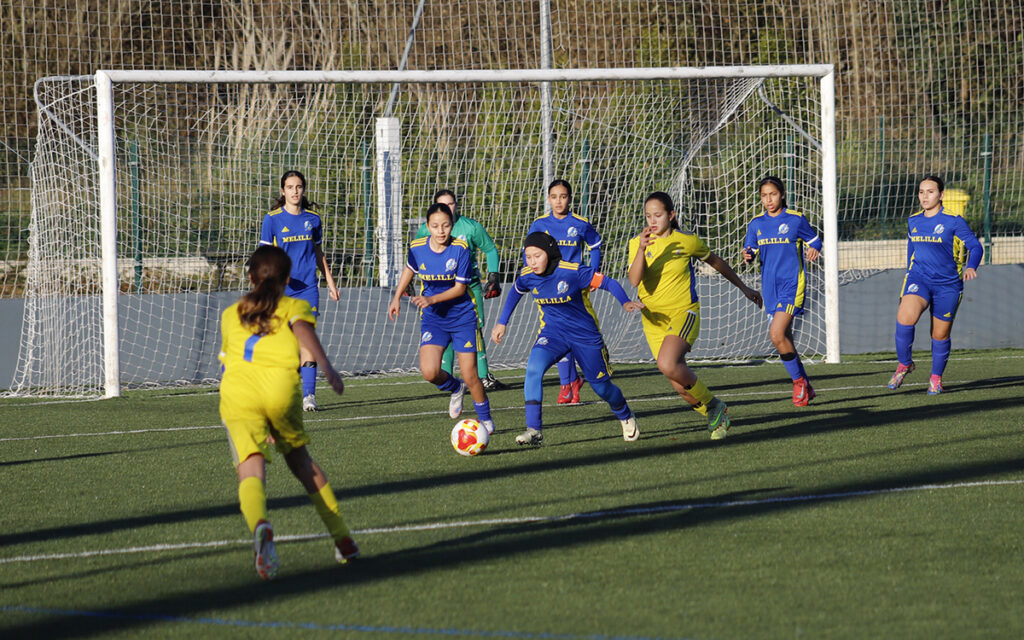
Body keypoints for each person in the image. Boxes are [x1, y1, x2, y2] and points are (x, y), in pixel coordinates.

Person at [218, 245, 357, 581]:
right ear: (288, 278)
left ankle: (261, 526)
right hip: (280, 389)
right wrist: (326, 367)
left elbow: (226, 361)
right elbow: (302, 330)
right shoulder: (295, 305)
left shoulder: (230, 313)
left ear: (250, 277)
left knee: (250, 465)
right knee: (301, 463)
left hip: (238, 394)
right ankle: (342, 538)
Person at [630, 192, 762, 440]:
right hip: (652, 320)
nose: (652, 220)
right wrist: (641, 250)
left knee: (667, 364)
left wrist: (744, 287)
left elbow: (716, 262)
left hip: (684, 312)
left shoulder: (686, 241)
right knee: (678, 383)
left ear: (671, 215)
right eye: (648, 216)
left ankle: (714, 405)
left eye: (658, 215)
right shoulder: (638, 243)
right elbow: (634, 280)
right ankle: (716, 417)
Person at [492, 231, 643, 445]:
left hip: (584, 335)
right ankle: (534, 430)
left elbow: (607, 282)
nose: (532, 262)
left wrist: (625, 301)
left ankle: (625, 414)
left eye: (537, 256)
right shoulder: (527, 275)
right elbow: (516, 291)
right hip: (553, 334)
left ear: (550, 253)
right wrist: (502, 322)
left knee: (601, 387)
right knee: (533, 369)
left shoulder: (571, 271)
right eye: (528, 257)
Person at [388, 203, 495, 433]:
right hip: (434, 318)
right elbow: (410, 268)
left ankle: (485, 420)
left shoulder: (461, 248)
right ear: (428, 227)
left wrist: (431, 300)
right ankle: (456, 388)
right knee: (429, 372)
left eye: (446, 225)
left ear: (452, 226)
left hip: (462, 316)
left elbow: (459, 289)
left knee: (471, 374)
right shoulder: (417, 247)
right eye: (435, 226)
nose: (441, 230)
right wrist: (396, 297)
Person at [888, 175, 983, 394]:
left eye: (930, 192)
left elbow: (976, 247)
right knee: (905, 316)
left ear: (941, 195)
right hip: (919, 278)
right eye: (921, 192)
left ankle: (935, 378)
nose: (925, 196)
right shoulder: (913, 220)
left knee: (939, 335)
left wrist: (971, 267)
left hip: (948, 285)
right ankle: (904, 363)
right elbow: (912, 250)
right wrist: (909, 271)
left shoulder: (953, 220)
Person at [260, 170, 339, 412]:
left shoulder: (313, 219)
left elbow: (317, 252)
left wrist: (330, 280)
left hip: (308, 289)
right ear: (282, 191)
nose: (295, 191)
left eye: (299, 186)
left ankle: (309, 396)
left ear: (303, 190)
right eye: (290, 187)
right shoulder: (271, 219)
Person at [742, 176, 823, 406]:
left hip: (791, 285)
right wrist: (747, 255)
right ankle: (806, 385)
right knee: (784, 338)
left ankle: (798, 383)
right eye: (764, 195)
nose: (768, 200)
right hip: (770, 289)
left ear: (782, 194)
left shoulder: (795, 220)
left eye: (773, 194)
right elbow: (749, 250)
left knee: (776, 335)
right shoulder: (756, 224)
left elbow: (816, 240)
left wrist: (813, 249)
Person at [413, 189, 504, 390]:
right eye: (443, 204)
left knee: (474, 329)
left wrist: (493, 276)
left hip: (468, 287)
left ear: (457, 205)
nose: (448, 207)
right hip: (437, 289)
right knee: (442, 330)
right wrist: (409, 281)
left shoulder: (471, 227)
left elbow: (490, 249)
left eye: (451, 203)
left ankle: (483, 376)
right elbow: (415, 254)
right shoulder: (425, 229)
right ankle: (447, 376)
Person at [526, 179, 603, 405]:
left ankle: (579, 380)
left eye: (563, 196)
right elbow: (528, 251)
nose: (559, 201)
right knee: (557, 331)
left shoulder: (579, 223)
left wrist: (592, 274)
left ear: (569, 198)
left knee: (579, 332)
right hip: (550, 288)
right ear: (548, 199)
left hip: (576, 286)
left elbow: (595, 245)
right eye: (554, 197)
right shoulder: (539, 224)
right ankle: (567, 385)